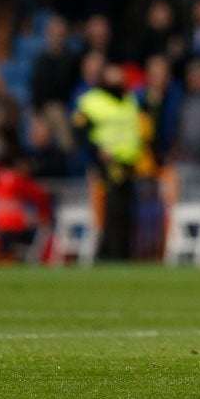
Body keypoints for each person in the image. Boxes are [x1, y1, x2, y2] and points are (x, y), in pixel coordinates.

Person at [72, 63, 147, 260]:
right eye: (113, 75)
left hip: (129, 161)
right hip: (108, 162)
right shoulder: (92, 100)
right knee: (113, 208)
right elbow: (80, 131)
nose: (118, 79)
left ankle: (124, 252)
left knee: (127, 209)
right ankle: (111, 253)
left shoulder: (129, 99)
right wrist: (97, 149)